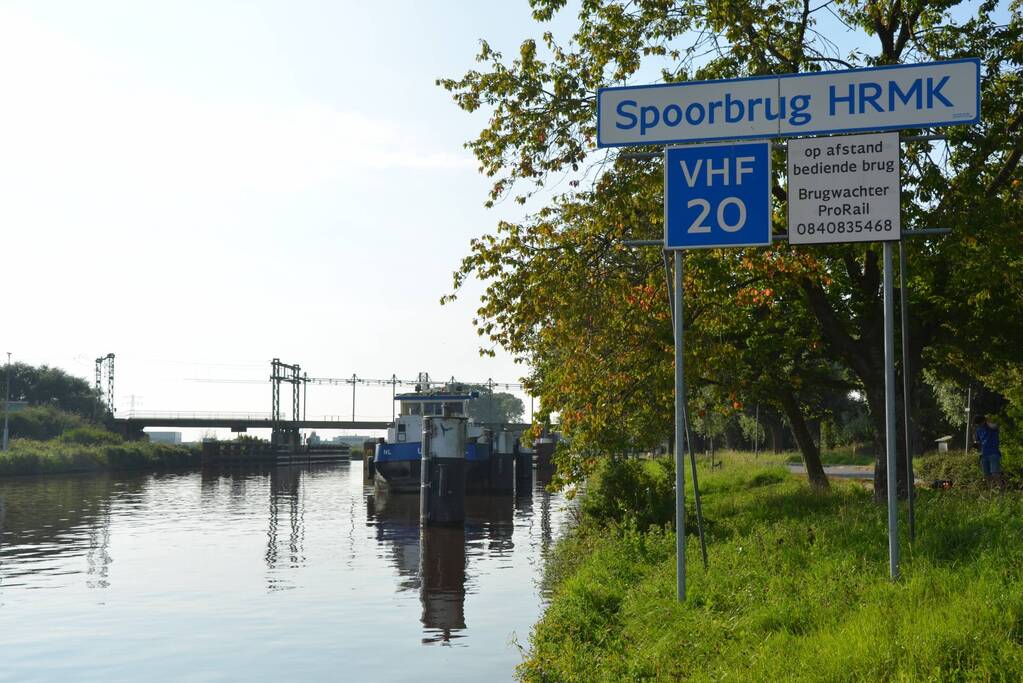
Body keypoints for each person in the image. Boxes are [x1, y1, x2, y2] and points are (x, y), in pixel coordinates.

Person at [974, 414, 1005, 492]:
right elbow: (978, 441)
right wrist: (976, 445)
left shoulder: (992, 427)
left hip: (993, 453)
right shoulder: (978, 429)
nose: (979, 425)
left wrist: (987, 421)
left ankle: (1002, 491)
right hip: (984, 455)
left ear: (983, 421)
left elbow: (995, 426)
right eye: (977, 424)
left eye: (979, 423)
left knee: (995, 474)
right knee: (987, 476)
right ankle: (991, 492)